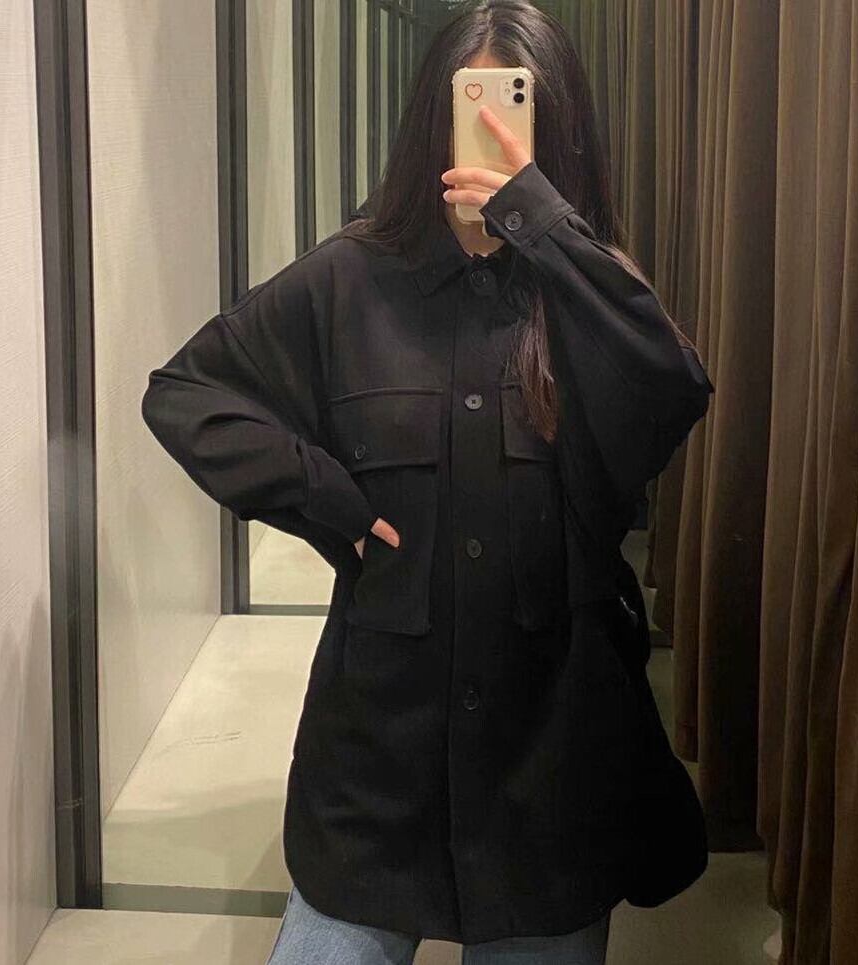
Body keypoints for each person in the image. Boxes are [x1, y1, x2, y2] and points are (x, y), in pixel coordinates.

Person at [140, 1, 714, 961]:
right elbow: (189, 391)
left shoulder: (590, 294)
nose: (489, 144)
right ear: (428, 125)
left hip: (550, 774)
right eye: (468, 114)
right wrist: (324, 498)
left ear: (558, 137)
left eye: (515, 118)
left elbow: (674, 390)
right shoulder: (348, 280)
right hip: (376, 770)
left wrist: (541, 224)